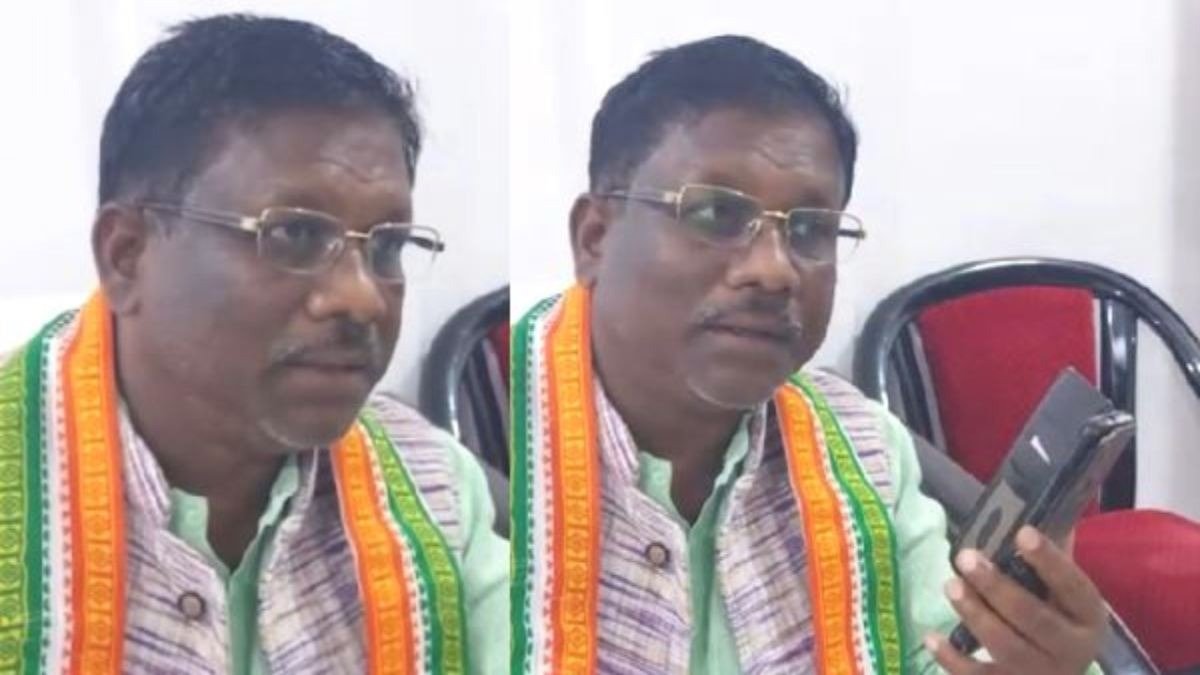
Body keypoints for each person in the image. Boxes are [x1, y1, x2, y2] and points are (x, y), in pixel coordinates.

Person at [510, 35, 1106, 674]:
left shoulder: (860, 452)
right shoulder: (492, 468)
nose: (774, 270)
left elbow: (943, 659)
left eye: (811, 229)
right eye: (714, 213)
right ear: (594, 238)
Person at [0, 14, 506, 674]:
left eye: (387, 247)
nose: (362, 298)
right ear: (126, 255)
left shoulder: (433, 489)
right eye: (295, 234)